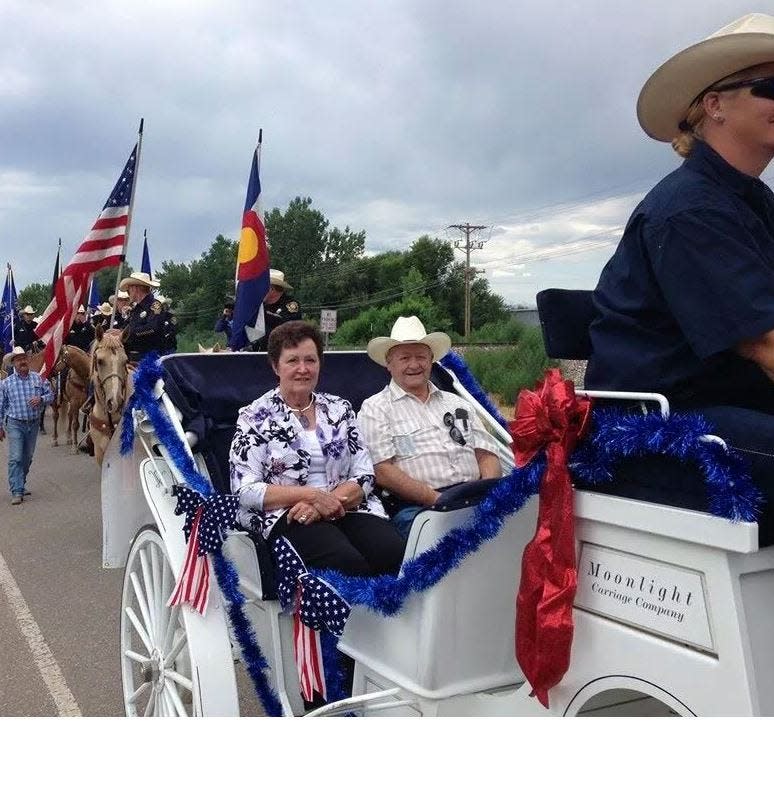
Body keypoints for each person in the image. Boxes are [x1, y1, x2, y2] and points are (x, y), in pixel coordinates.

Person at [584, 14, 774, 538]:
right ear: (714, 104)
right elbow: (765, 344)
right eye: (771, 87)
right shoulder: (692, 209)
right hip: (657, 425)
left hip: (730, 407)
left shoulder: (752, 201)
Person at [230, 320, 405, 577]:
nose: (303, 369)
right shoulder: (254, 416)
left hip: (347, 506)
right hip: (287, 515)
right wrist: (311, 496)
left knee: (392, 552)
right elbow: (245, 490)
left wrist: (325, 503)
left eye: (310, 360)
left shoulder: (340, 409)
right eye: (292, 361)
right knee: (346, 563)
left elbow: (365, 474)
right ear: (275, 366)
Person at [358, 316, 502, 537]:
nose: (414, 365)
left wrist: (489, 496)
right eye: (404, 358)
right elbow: (382, 471)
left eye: (421, 357)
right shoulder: (375, 409)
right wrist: (441, 501)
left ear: (431, 359)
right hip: (420, 507)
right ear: (389, 364)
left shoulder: (458, 403)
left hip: (475, 497)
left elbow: (487, 453)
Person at [0, 347, 54, 504]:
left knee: (27, 458)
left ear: (28, 360)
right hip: (15, 423)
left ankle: (20, 484)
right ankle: (16, 490)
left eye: (24, 358)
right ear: (13, 363)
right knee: (16, 457)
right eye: (18, 359)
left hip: (33, 424)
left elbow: (51, 395)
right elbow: (1, 405)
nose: (22, 361)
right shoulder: (5, 384)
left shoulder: (39, 378)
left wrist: (41, 399)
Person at [119, 272, 168, 361]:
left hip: (149, 359)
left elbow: (153, 328)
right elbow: (127, 326)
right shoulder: (135, 309)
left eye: (128, 289)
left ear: (136, 288)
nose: (128, 292)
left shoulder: (155, 305)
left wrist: (128, 334)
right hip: (132, 358)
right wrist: (118, 332)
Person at [248, 269, 301, 352]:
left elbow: (288, 326)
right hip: (258, 354)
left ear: (271, 289)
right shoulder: (261, 306)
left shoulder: (290, 304)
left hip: (283, 353)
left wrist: (262, 314)